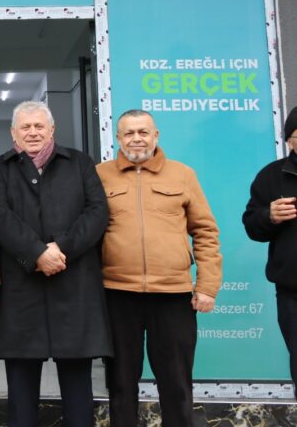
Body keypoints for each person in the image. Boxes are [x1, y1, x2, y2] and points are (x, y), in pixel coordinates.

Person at [0, 101, 111, 427]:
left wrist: (61, 248)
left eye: (39, 126)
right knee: (21, 388)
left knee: (78, 386)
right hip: (23, 288)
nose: (32, 132)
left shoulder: (80, 163)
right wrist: (37, 253)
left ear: (52, 129)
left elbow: (97, 212)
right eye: (25, 127)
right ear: (13, 132)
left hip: (75, 286)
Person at [97, 109, 222, 427]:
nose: (136, 139)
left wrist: (207, 286)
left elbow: (205, 232)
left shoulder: (182, 174)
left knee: (176, 383)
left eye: (143, 132)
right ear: (118, 138)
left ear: (156, 135)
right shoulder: (100, 175)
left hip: (172, 295)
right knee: (120, 383)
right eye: (129, 133)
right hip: (116, 293)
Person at [243, 106, 297, 391]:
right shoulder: (272, 176)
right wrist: (269, 216)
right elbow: (252, 227)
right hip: (292, 293)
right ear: (289, 140)